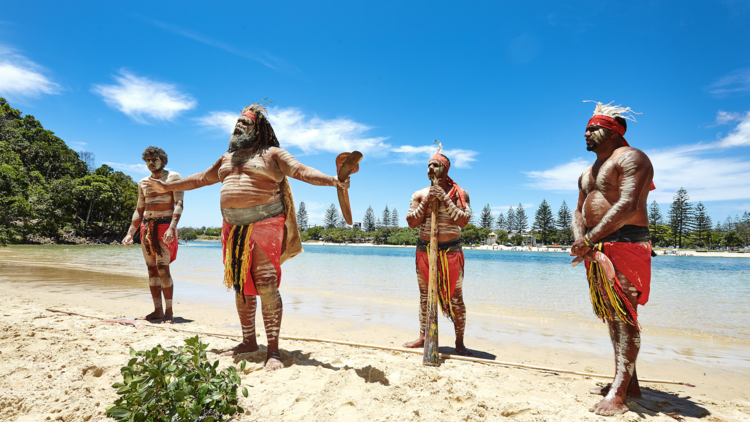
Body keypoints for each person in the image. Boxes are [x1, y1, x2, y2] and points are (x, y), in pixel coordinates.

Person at [144, 101, 349, 371]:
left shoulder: (272, 153)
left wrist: (333, 180)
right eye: (237, 122)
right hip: (232, 229)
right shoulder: (226, 158)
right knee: (241, 284)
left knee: (266, 283)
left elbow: (301, 171)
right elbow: (199, 179)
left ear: (258, 129)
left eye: (245, 122)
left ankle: (273, 351)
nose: (239, 125)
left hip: (265, 225)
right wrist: (167, 185)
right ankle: (249, 341)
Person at [570, 102, 655, 416]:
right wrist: (581, 237)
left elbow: (629, 204)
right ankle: (629, 383)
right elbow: (578, 210)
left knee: (625, 314)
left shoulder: (633, 158)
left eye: (593, 128)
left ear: (614, 131)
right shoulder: (586, 172)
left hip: (627, 243)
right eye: (587, 128)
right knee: (610, 311)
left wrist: (589, 238)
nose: (586, 133)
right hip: (597, 246)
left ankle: (619, 393)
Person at [403, 143, 472, 356]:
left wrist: (443, 198)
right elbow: (411, 222)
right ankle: (424, 337)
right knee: (425, 296)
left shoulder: (460, 193)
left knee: (456, 298)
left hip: (451, 252)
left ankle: (459, 343)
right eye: (428, 165)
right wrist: (426, 202)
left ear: (445, 169)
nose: (430, 168)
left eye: (435, 165)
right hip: (425, 251)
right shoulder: (419, 194)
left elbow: (464, 221)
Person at [122, 146, 183, 324]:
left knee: (163, 269)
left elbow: (179, 203)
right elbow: (139, 209)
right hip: (147, 227)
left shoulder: (174, 177)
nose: (150, 162)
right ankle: (157, 311)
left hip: (165, 225)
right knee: (151, 270)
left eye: (154, 159)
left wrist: (172, 227)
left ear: (163, 161)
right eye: (147, 159)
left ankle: (169, 312)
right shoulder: (143, 182)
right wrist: (129, 233)